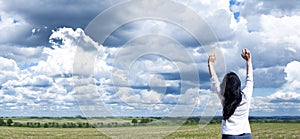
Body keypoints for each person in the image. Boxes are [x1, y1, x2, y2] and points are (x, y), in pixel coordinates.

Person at [208, 48, 253, 139]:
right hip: (246, 135)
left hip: (229, 135)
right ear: (238, 85)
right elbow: (250, 79)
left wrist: (210, 64)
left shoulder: (224, 98)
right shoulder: (245, 96)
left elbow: (214, 80)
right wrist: (248, 60)